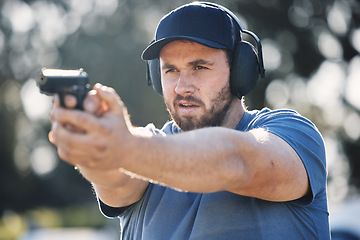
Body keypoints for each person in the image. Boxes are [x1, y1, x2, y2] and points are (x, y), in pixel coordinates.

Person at [49, 2, 330, 239]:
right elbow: (115, 180)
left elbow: (240, 162)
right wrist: (94, 148)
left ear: (241, 71)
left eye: (199, 67)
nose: (183, 86)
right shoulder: (143, 153)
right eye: (170, 70)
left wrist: (124, 148)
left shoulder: (293, 134)